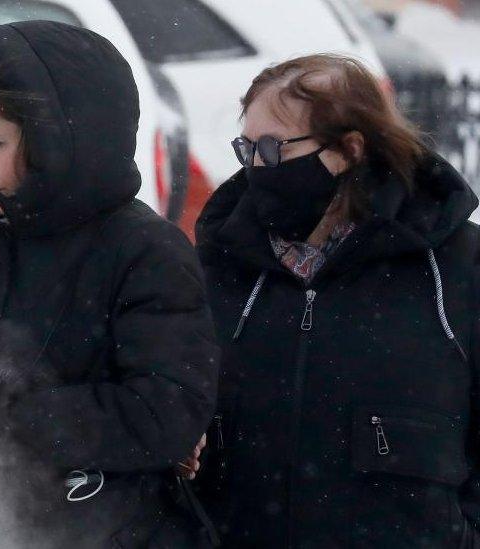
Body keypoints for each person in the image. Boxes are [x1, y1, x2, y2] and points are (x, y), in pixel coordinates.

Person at [0, 20, 219, 549]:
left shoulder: (142, 249)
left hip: (107, 532)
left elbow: (166, 409)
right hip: (0, 531)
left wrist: (8, 424)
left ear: (57, 138)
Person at [195, 53, 480, 547]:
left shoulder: (456, 267)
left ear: (348, 150)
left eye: (272, 147)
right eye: (248, 149)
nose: (257, 168)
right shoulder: (223, 263)